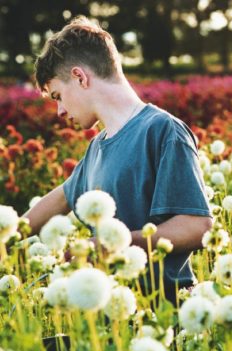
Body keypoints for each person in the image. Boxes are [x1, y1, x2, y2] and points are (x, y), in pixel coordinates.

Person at [26, 17, 212, 302]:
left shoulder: (162, 130)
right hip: (111, 314)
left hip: (165, 313)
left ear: (79, 77)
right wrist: (6, 236)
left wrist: (112, 244)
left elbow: (196, 227)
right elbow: (61, 198)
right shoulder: (97, 147)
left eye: (58, 96)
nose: (60, 111)